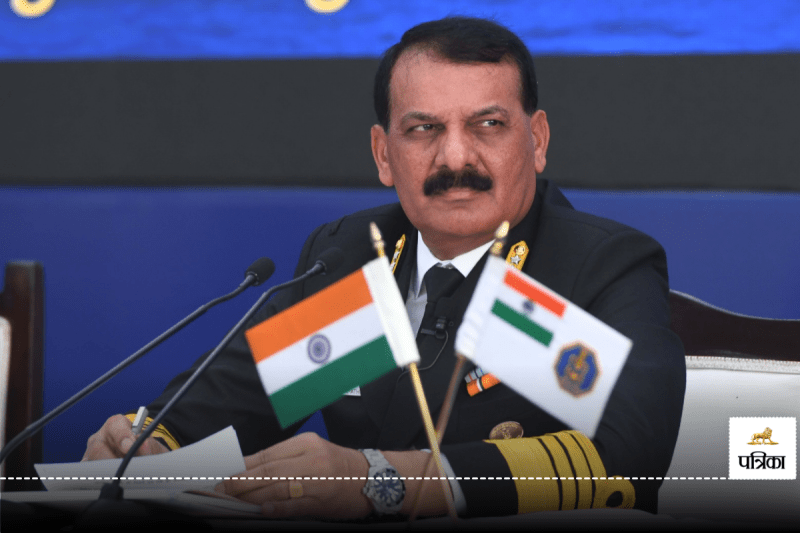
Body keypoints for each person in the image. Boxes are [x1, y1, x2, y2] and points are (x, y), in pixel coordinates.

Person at [84, 16, 685, 521]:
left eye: (488, 124)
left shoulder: (590, 266)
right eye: (424, 129)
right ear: (383, 155)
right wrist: (147, 445)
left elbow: (625, 460)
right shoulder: (361, 255)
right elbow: (235, 407)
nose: (456, 157)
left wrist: (377, 479)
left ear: (538, 139)